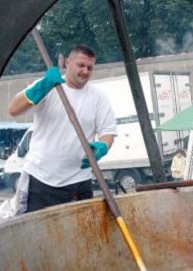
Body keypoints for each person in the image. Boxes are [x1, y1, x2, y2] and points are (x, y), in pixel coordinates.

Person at [8, 44, 117, 212]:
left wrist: (102, 147)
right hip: (40, 181)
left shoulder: (98, 97)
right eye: (81, 65)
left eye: (90, 67)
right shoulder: (48, 87)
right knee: (38, 234)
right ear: (67, 63)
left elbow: (108, 132)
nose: (85, 71)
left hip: (78, 182)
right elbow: (13, 109)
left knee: (80, 235)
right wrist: (42, 86)